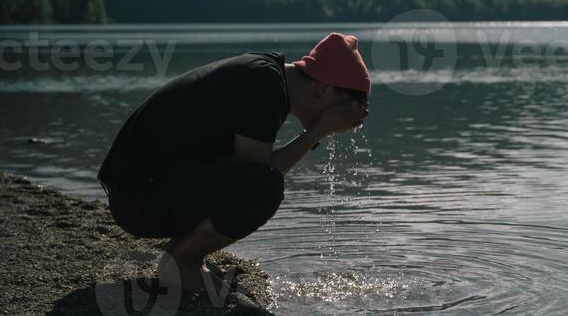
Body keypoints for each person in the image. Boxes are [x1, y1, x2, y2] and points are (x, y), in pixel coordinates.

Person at [97, 32, 370, 295]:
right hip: (137, 200)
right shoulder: (266, 86)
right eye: (344, 107)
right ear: (323, 89)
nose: (343, 119)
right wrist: (318, 131)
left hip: (144, 189)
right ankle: (182, 262)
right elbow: (257, 178)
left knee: (255, 181)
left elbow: (246, 171)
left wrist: (318, 130)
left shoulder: (268, 73)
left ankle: (184, 251)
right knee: (264, 188)